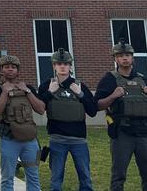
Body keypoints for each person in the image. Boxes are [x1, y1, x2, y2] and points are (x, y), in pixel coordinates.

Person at [96, 39, 147, 191]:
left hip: (144, 134)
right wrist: (113, 96)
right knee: (118, 176)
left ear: (133, 58)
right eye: (120, 55)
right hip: (122, 134)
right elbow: (97, 106)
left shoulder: (144, 80)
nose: (124, 58)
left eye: (127, 55)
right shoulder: (109, 79)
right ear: (115, 58)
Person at [38, 48, 97, 191]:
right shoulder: (46, 85)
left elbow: (93, 111)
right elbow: (39, 107)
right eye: (59, 64)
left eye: (66, 64)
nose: (62, 66)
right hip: (57, 139)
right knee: (56, 180)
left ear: (70, 66)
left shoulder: (80, 85)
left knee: (85, 179)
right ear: (54, 66)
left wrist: (81, 94)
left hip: (79, 140)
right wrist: (50, 92)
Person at [0, 54, 45, 191]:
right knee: (7, 177)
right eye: (6, 67)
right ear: (1, 70)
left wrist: (28, 92)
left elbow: (41, 109)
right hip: (9, 139)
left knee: (33, 176)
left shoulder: (28, 87)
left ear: (18, 71)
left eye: (13, 67)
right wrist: (4, 93)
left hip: (30, 139)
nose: (10, 70)